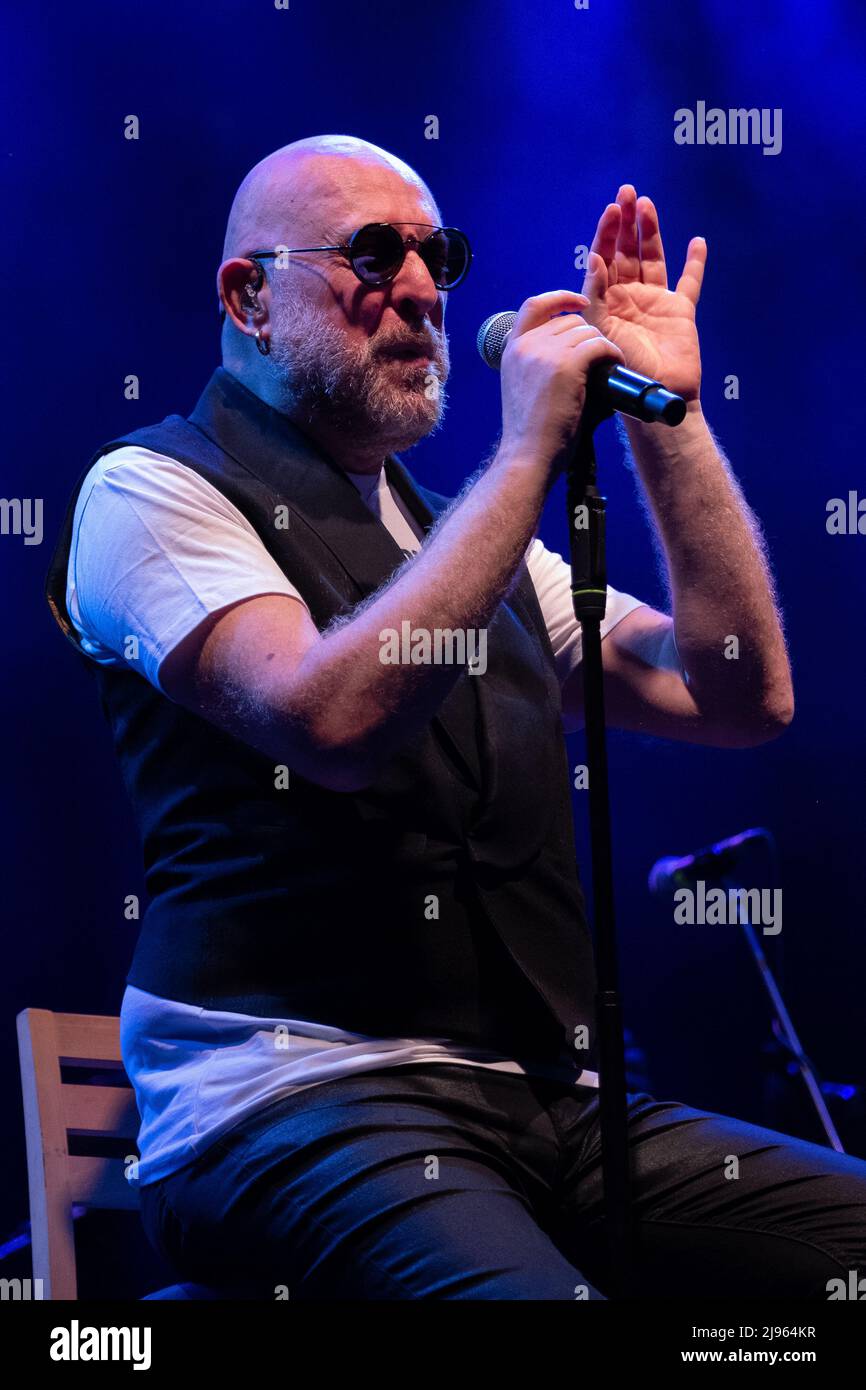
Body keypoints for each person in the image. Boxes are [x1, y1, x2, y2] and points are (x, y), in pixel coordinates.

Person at [46, 135, 865, 1300]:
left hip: (550, 1105)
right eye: (374, 255)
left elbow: (739, 692)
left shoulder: (471, 545)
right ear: (249, 296)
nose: (424, 291)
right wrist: (531, 445)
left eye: (441, 256)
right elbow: (323, 719)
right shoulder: (151, 491)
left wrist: (666, 421)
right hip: (295, 1101)